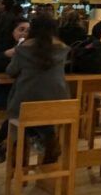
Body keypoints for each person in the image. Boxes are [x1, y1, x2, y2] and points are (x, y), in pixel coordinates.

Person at [5, 16, 70, 160]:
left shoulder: (23, 48)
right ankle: (46, 137)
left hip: (25, 105)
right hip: (61, 104)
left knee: (20, 109)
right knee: (40, 109)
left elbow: (11, 71)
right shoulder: (63, 48)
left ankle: (19, 153)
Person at [0, 14, 27, 162]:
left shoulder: (27, 48)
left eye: (28, 30)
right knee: (21, 108)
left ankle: (21, 143)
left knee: (33, 106)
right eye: (21, 29)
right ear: (11, 30)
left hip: (17, 90)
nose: (24, 33)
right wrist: (6, 55)